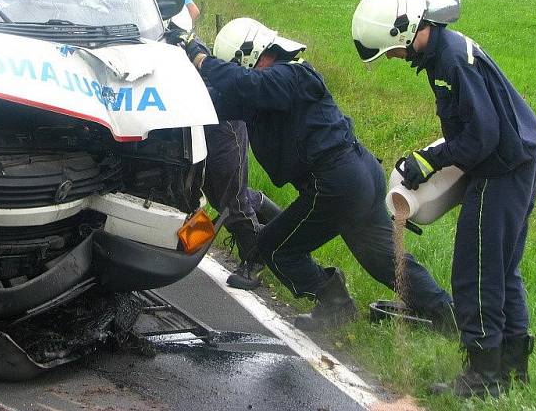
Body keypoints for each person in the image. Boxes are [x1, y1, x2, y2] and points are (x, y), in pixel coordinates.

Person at [183, 17, 454, 330]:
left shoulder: (292, 74)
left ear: (251, 55)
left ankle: (335, 303)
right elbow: (217, 101)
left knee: (275, 247)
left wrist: (200, 57)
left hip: (334, 183)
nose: (239, 75)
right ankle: (446, 314)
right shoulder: (265, 90)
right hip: (354, 177)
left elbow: (245, 84)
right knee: (383, 260)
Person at [351, 0, 536, 398]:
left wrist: (431, 161)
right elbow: (477, 127)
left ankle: (483, 375)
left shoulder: (452, 61)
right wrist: (435, 154)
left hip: (501, 172)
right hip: (516, 163)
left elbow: (482, 136)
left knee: (475, 271)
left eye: (390, 51)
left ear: (401, 33)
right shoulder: (445, 52)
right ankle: (513, 366)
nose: (393, 59)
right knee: (501, 268)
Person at [136, 0, 278, 289]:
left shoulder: (170, 12)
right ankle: (281, 230)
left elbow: (199, 55)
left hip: (219, 114)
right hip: (196, 113)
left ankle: (255, 261)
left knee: (229, 196)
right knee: (223, 195)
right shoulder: (130, 11)